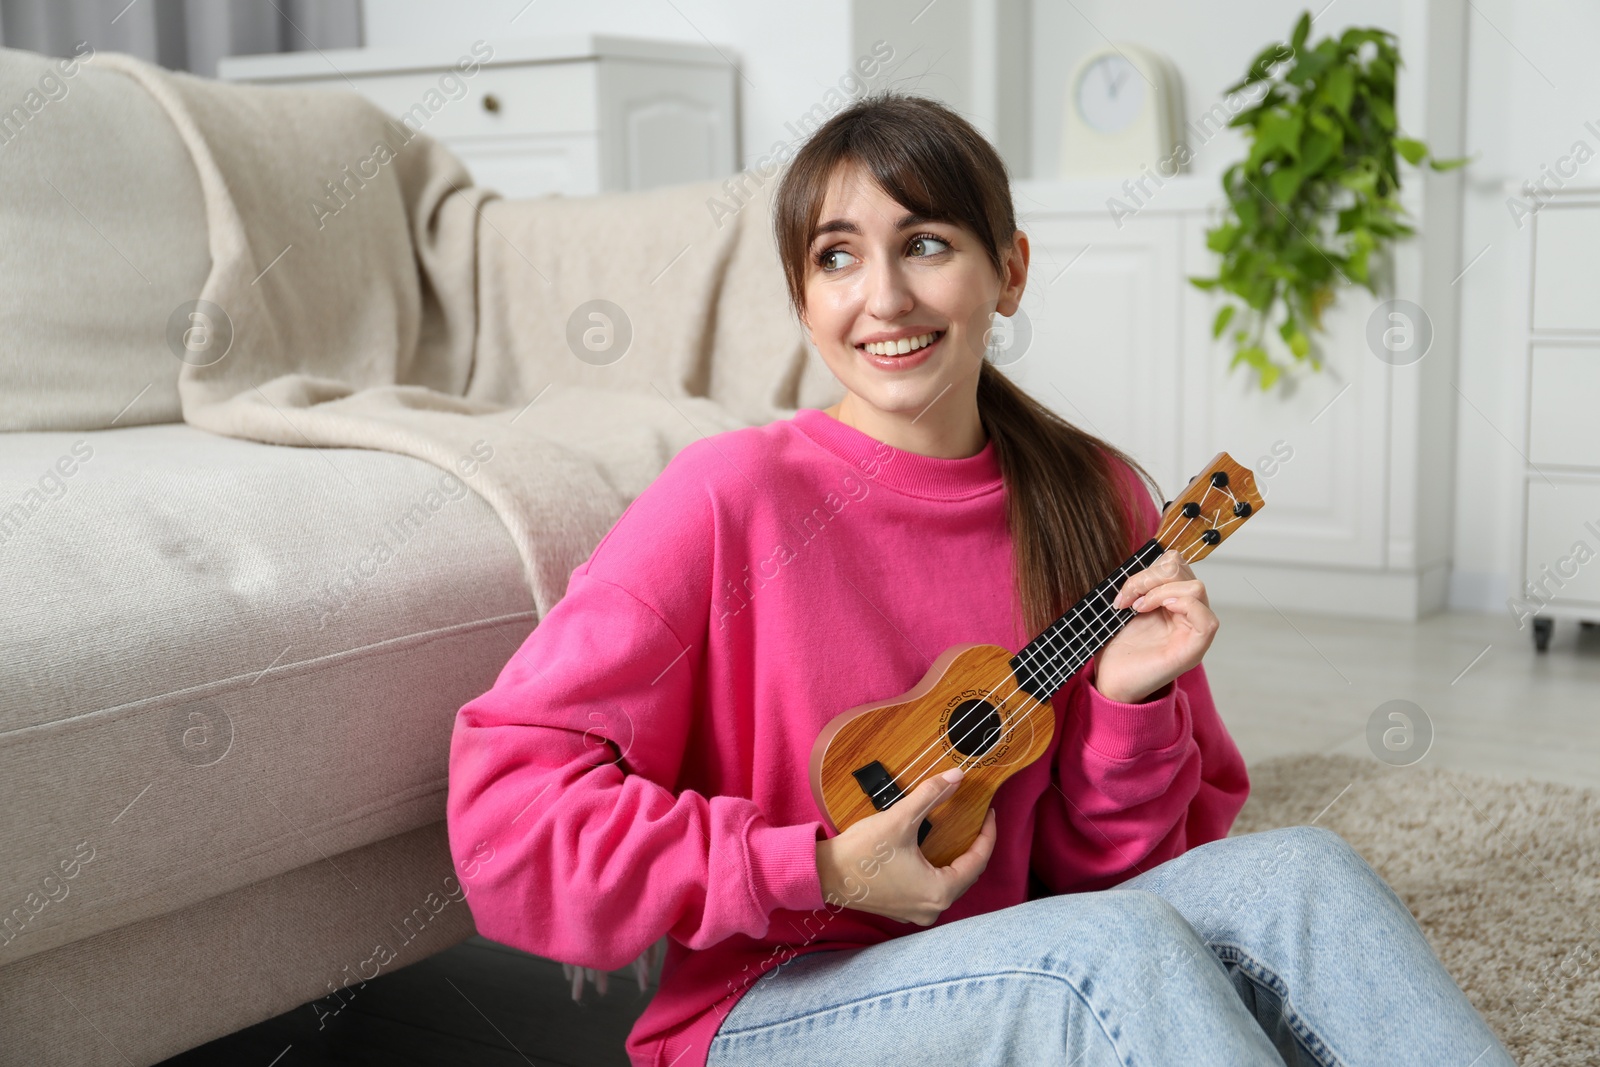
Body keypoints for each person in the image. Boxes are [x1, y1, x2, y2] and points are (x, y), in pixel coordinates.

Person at [445, 92, 1515, 1067]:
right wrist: (812, 869)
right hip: (768, 1004)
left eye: (924, 244)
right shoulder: (724, 499)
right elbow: (504, 816)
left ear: (1007, 270)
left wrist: (1128, 706)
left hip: (1019, 953)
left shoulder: (1092, 496)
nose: (883, 297)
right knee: (1104, 952)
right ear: (800, 295)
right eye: (835, 257)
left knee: (1306, 872)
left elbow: (1124, 874)